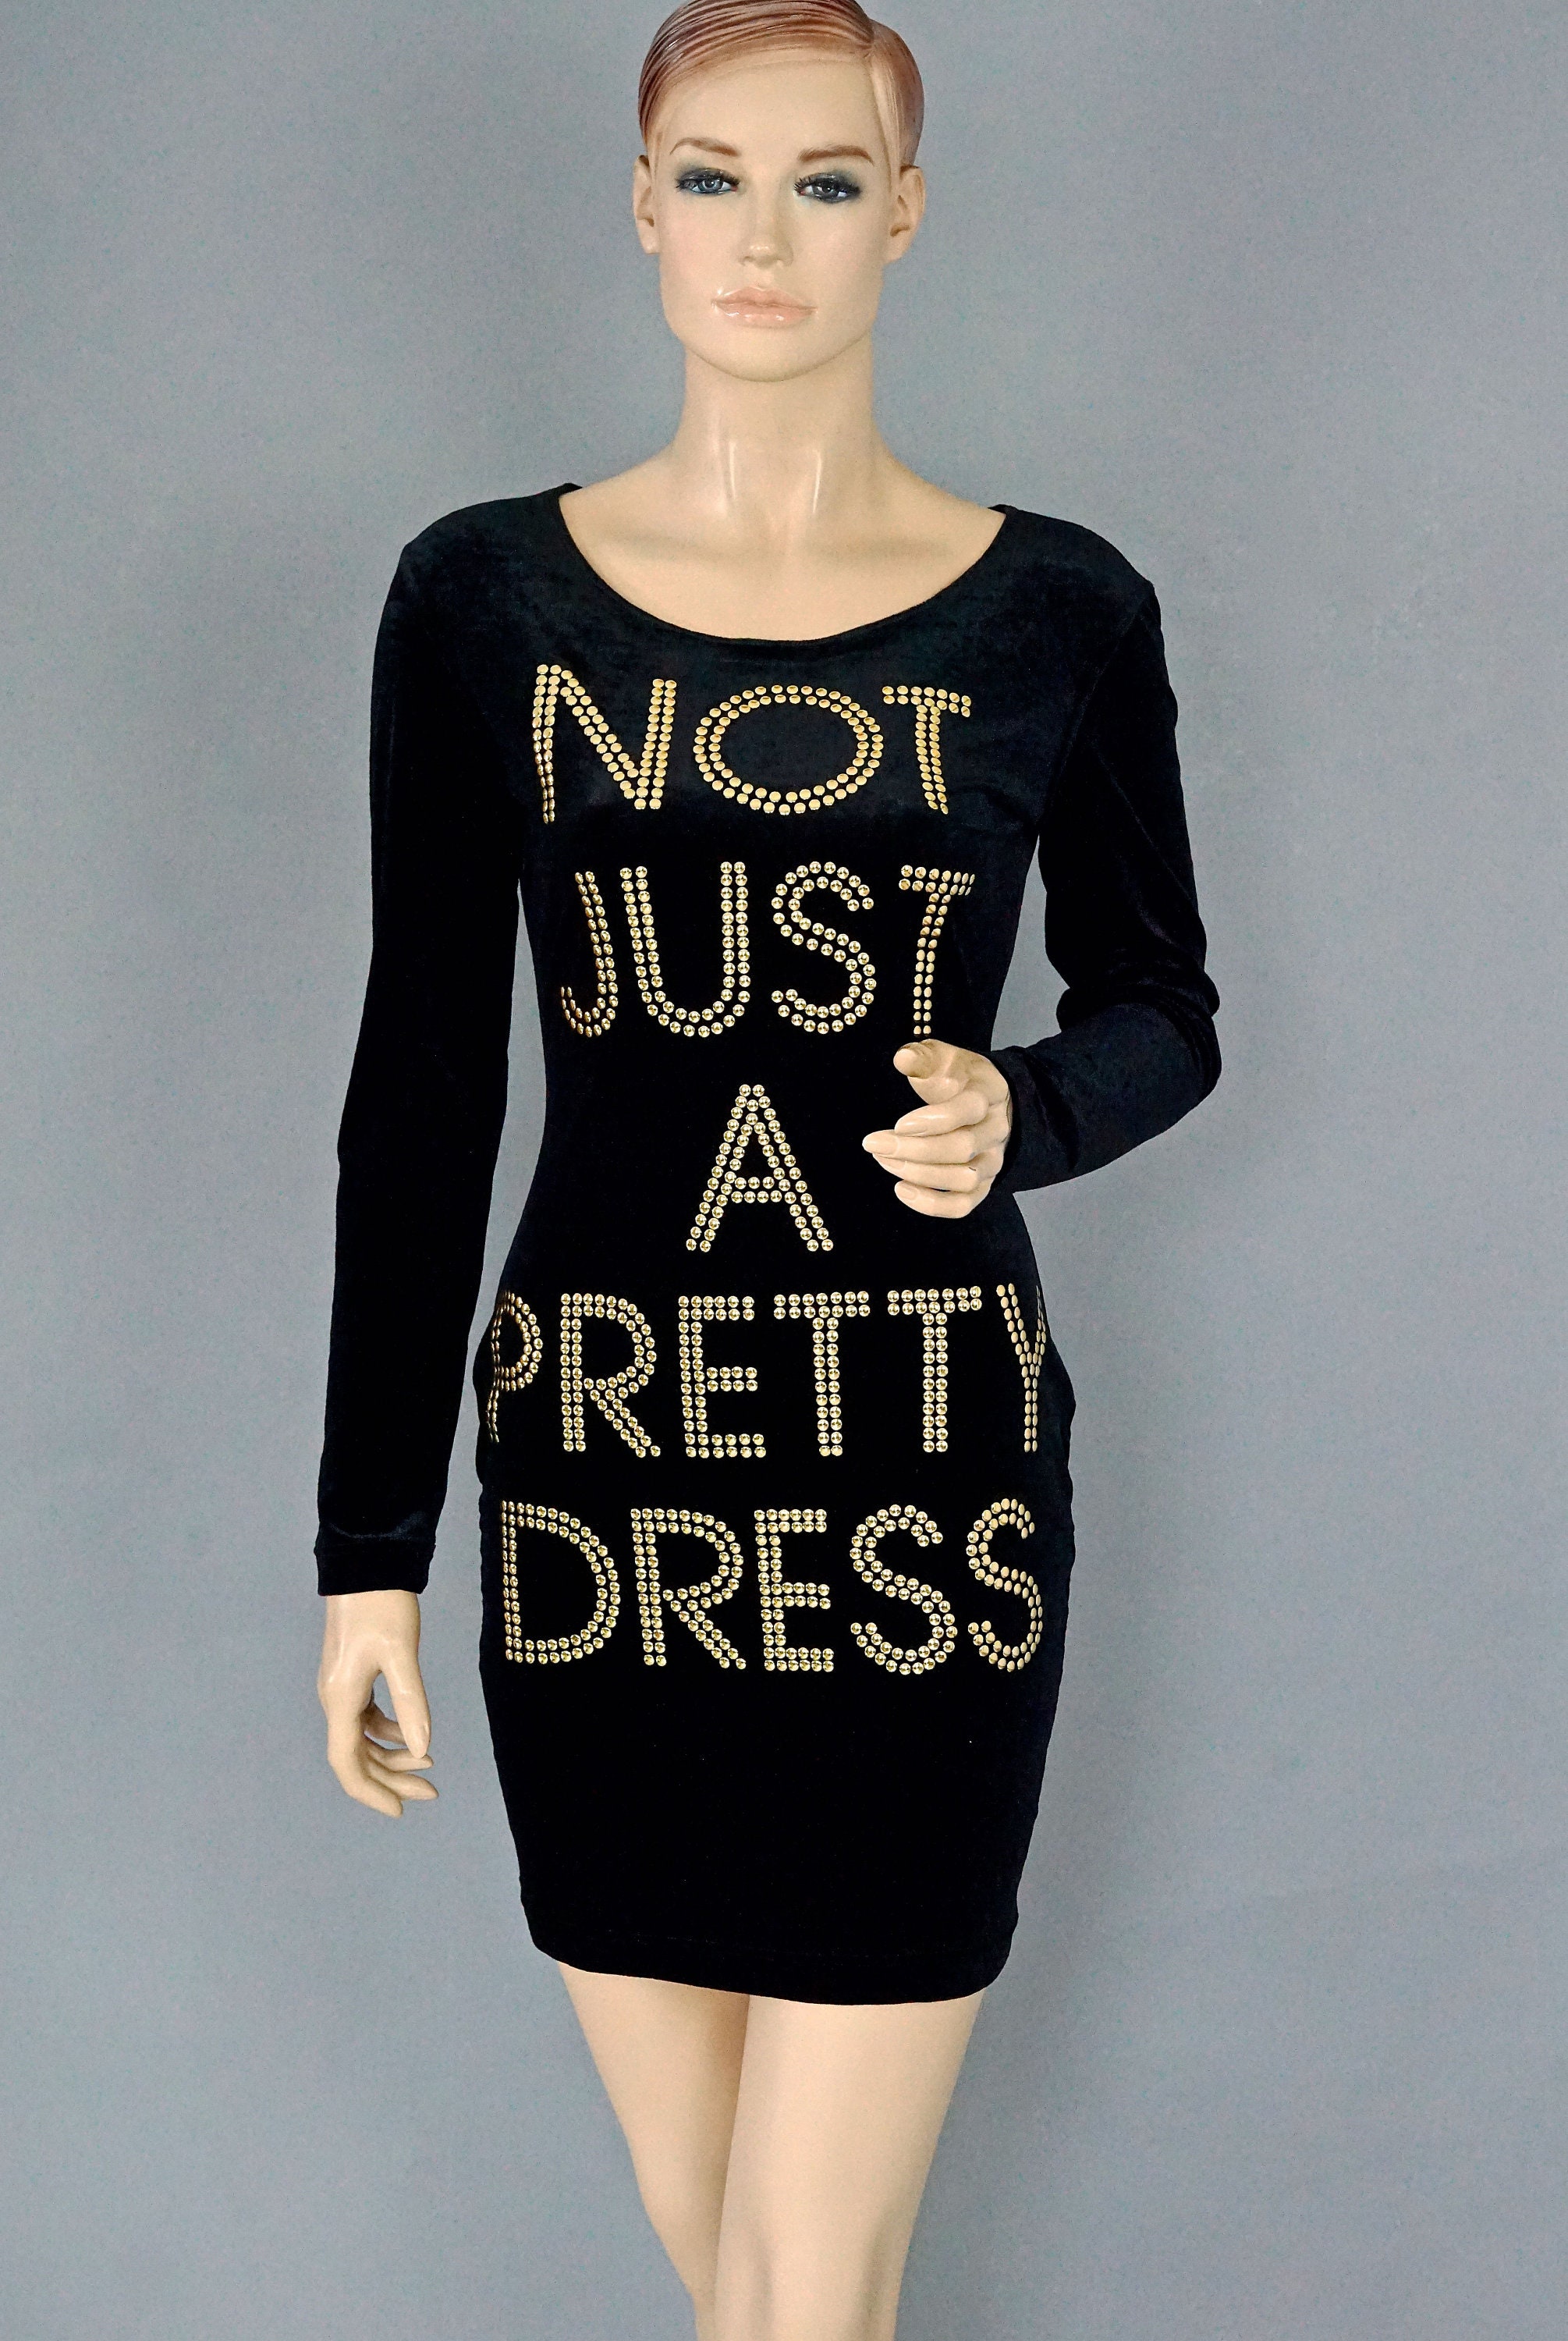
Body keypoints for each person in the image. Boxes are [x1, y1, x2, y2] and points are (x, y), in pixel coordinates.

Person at [312, 2, 1221, 2334]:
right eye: (712, 176)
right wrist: (370, 1553)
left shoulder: (1058, 612)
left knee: (801, 2275)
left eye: (825, 181)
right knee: (730, 2234)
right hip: (607, 1494)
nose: (764, 235)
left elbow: (1162, 1004)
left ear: (904, 213)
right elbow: (425, 1082)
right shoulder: (485, 601)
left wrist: (1028, 1107)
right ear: (641, 205)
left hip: (921, 1503)